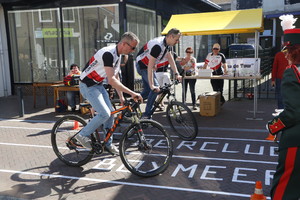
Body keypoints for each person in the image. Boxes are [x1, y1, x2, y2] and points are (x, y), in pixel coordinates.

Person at [76, 32, 143, 155]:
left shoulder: (118, 55)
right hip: (87, 85)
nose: (133, 50)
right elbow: (111, 80)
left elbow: (115, 77)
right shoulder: (108, 53)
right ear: (123, 44)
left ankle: (107, 144)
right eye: (132, 47)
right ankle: (82, 135)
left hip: (98, 85)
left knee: (111, 113)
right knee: (104, 114)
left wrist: (122, 97)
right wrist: (132, 93)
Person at [267, 26, 300, 199]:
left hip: (296, 140)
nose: (285, 54)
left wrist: (273, 126)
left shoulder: (292, 73)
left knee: (284, 188)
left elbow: (293, 113)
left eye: (288, 50)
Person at [136, 28, 182, 119]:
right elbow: (149, 66)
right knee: (155, 88)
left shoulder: (167, 44)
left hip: (148, 66)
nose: (178, 42)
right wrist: (152, 85)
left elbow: (170, 58)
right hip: (142, 66)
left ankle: (133, 102)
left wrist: (177, 73)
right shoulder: (158, 45)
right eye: (177, 39)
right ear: (170, 36)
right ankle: (147, 115)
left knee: (148, 91)